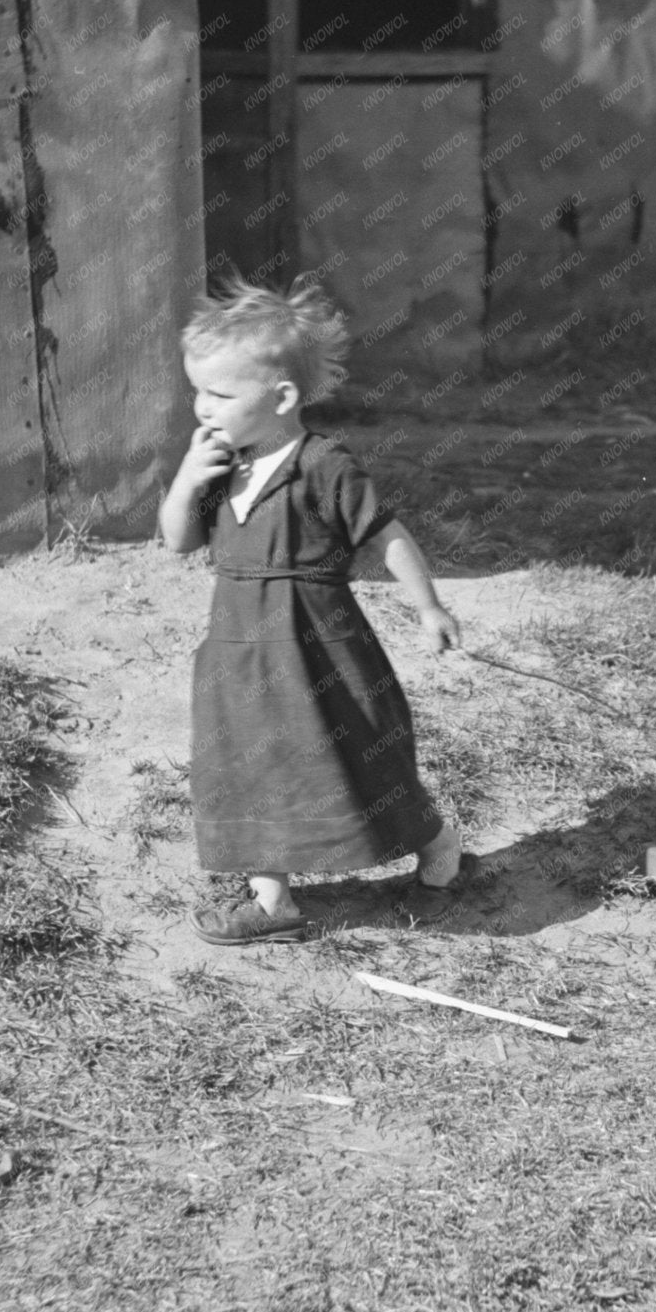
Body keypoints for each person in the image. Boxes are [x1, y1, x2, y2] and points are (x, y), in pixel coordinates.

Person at [158, 275, 466, 944]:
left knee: (357, 754)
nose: (201, 407)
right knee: (248, 760)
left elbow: (384, 535)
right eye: (196, 390)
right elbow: (178, 540)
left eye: (219, 393)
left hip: (318, 646)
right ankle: (272, 900)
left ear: (282, 397)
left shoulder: (323, 464)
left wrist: (429, 608)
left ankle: (438, 847)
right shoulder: (222, 465)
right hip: (239, 649)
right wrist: (187, 479)